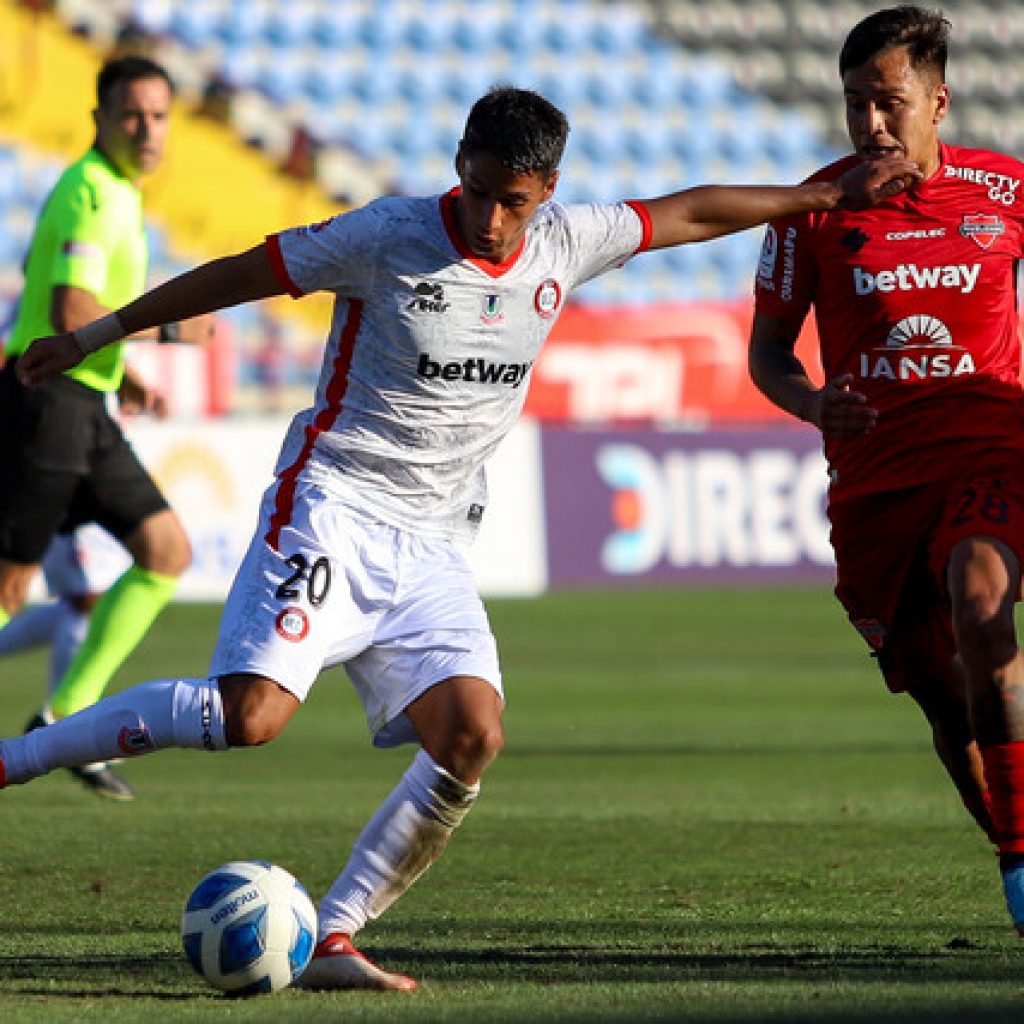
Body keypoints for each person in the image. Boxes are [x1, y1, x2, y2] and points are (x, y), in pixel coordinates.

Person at [1, 86, 917, 991]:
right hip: (334, 505)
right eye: (475, 190)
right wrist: (101, 336)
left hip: (435, 541)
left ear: (546, 191)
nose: (487, 217)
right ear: (458, 169)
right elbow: (246, 270)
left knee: (473, 733)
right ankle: (18, 758)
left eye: (510, 201)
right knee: (250, 720)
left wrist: (826, 196)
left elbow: (692, 210)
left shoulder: (568, 241)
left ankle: (333, 936)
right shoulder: (386, 236)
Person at [748, 5, 1024, 936]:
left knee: (983, 597)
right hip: (875, 487)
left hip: (990, 449)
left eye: (888, 102)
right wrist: (810, 401)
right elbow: (770, 356)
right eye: (854, 103)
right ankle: (1017, 848)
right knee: (949, 707)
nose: (870, 123)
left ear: (937, 102)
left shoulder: (1006, 191)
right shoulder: (811, 211)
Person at [0, 55, 213, 800]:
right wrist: (173, 330)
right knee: (11, 583)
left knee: (166, 551)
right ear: (99, 119)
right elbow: (68, 312)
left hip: (84, 402)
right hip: (48, 406)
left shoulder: (118, 193)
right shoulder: (91, 192)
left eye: (158, 116)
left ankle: (64, 716)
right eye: (132, 114)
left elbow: (76, 323)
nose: (147, 128)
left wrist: (126, 375)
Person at [0, 365, 164, 801]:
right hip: (56, 446)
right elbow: (65, 323)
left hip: (87, 443)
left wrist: (127, 378)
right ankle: (66, 729)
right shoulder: (54, 303)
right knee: (79, 597)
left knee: (81, 598)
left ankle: (63, 724)